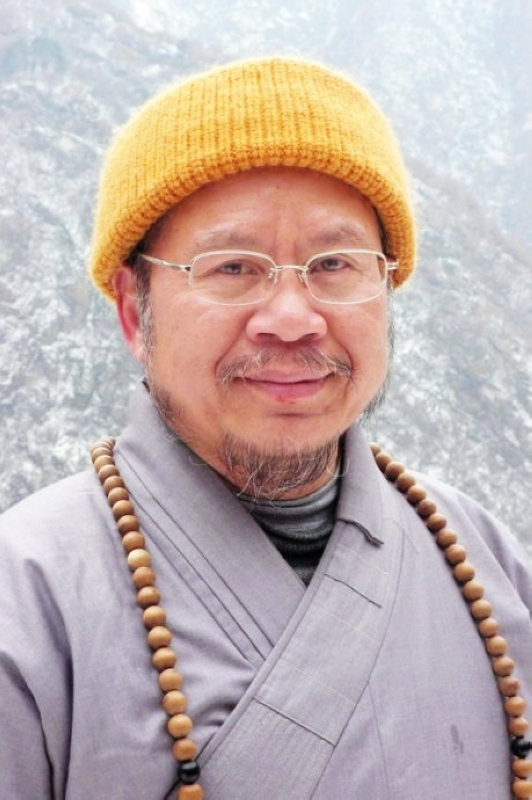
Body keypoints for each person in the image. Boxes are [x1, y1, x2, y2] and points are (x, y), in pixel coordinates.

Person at [0, 56, 531, 800]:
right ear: (133, 311)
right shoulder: (26, 599)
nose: (291, 318)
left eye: (335, 263)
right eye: (233, 267)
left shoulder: (483, 558)